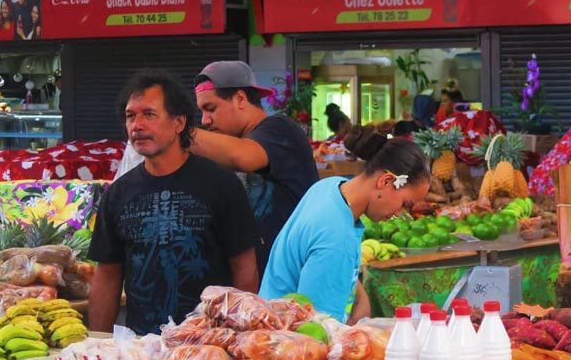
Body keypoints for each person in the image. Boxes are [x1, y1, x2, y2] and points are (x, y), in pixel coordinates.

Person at [89, 70, 259, 336]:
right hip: (142, 351)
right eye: (130, 116)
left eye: (149, 114)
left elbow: (244, 268)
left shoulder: (221, 184)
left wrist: (240, 338)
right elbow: (108, 276)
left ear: (179, 123)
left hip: (209, 348)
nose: (137, 125)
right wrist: (97, 343)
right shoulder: (118, 194)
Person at [260, 125, 430, 321]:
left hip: (271, 321)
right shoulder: (338, 239)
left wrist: (360, 297)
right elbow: (317, 331)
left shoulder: (328, 187)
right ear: (385, 181)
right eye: (404, 204)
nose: (400, 214)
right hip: (287, 340)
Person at [191, 60, 319, 272]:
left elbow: (243, 157)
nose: (204, 120)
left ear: (240, 98)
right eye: (201, 111)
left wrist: (175, 130)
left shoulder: (280, 128)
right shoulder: (230, 142)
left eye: (211, 108)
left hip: (291, 279)